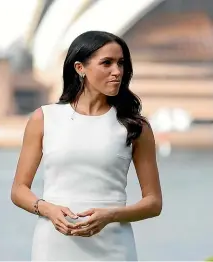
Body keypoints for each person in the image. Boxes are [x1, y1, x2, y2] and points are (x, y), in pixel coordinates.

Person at [11, 30, 162, 260]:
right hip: (54, 244)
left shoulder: (135, 127)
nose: (117, 71)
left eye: (121, 63)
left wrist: (110, 215)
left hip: (113, 245)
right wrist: (48, 209)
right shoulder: (44, 118)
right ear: (80, 68)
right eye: (107, 63)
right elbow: (19, 190)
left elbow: (153, 203)